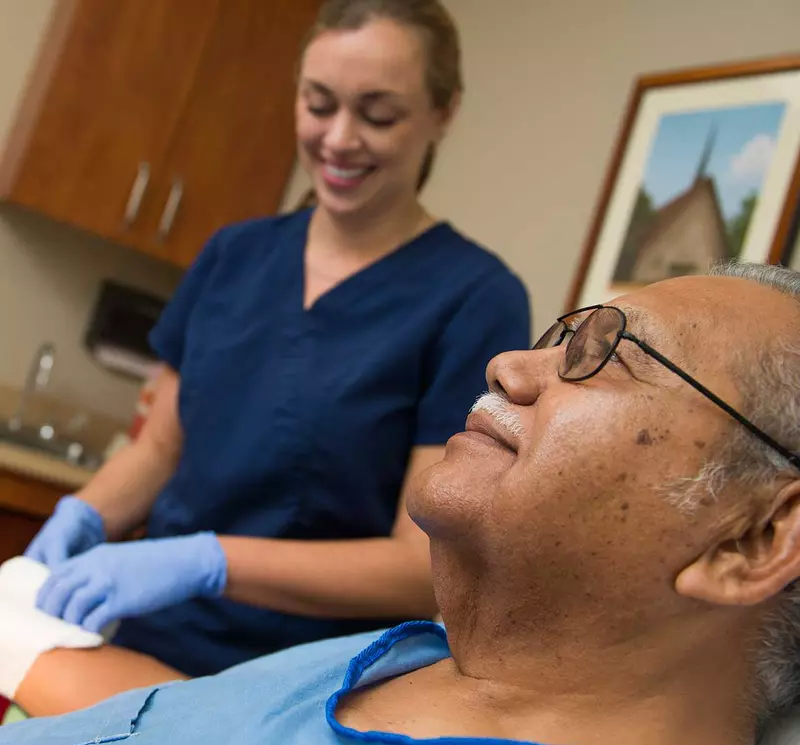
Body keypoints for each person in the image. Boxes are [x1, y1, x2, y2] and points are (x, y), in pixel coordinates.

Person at [2, 262, 799, 745]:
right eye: (564, 337)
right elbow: (198, 726)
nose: (509, 367)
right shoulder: (413, 663)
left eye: (608, 355)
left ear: (752, 539)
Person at [19, 0, 531, 678]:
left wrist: (209, 562)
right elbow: (159, 450)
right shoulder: (234, 254)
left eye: (378, 114)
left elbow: (419, 567)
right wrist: (84, 512)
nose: (339, 138)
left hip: (297, 683)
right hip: (138, 642)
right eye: (319, 105)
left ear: (443, 112)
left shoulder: (475, 300)